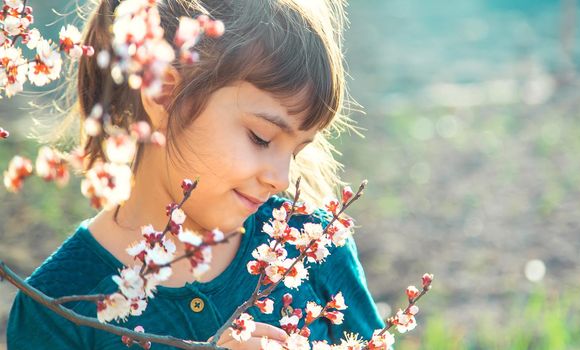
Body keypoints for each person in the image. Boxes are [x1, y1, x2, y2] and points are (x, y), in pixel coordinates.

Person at [6, 0, 384, 348]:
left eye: (298, 150)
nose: (281, 180)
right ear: (164, 94)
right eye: (261, 137)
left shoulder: (312, 248)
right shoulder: (54, 307)